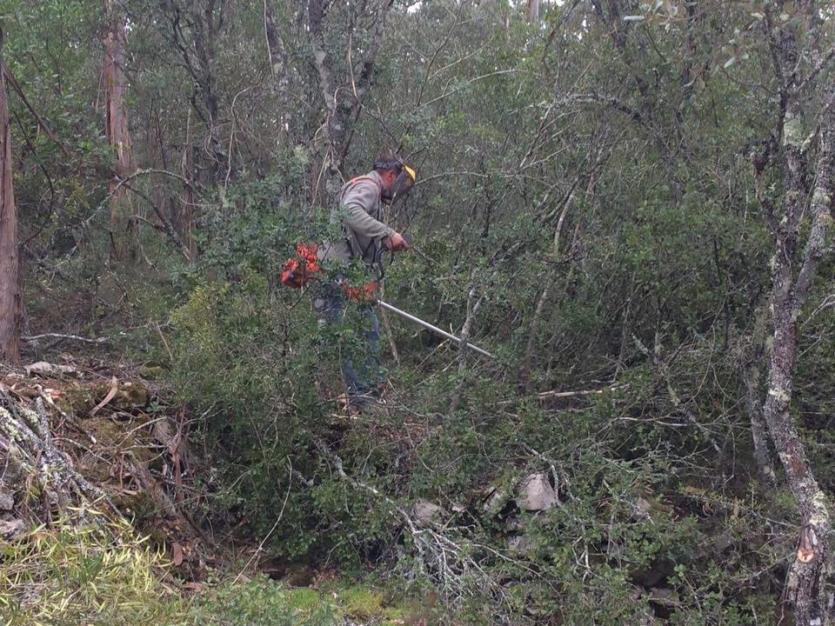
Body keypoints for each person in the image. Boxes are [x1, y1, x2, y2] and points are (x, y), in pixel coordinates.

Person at [314, 150, 416, 412]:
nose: (397, 189)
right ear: (391, 175)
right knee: (349, 333)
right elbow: (350, 211)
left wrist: (384, 241)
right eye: (398, 181)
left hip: (345, 271)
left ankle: (368, 389)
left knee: (366, 326)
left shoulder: (368, 188)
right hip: (337, 273)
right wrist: (388, 232)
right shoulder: (370, 186)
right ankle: (360, 397)